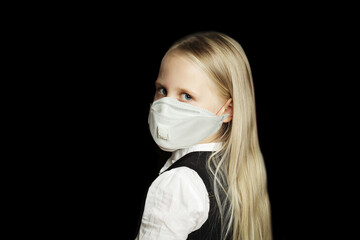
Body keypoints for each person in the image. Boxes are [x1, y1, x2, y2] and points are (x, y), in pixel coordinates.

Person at [135, 31, 272, 240]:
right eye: (162, 90)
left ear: (227, 110)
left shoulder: (179, 183)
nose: (166, 106)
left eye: (187, 96)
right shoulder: (238, 170)